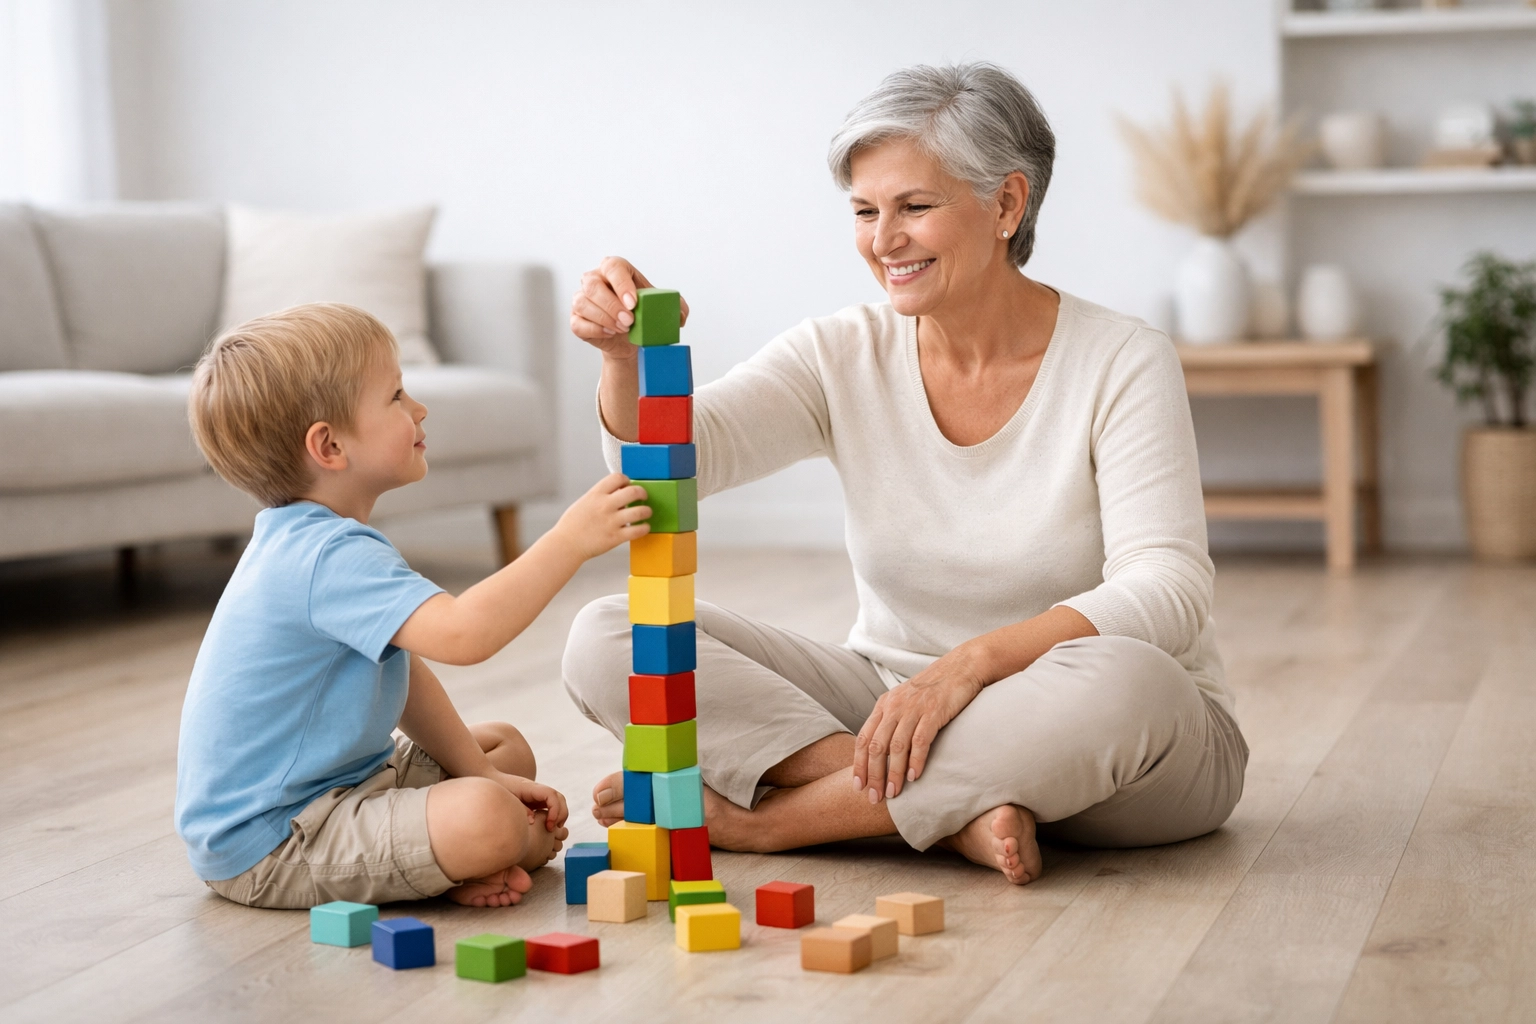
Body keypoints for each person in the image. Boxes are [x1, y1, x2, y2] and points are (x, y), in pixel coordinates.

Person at [562, 63, 1248, 885]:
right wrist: (620, 361)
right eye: (864, 211)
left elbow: (1168, 590)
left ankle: (779, 823)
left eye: (915, 207)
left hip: (1116, 742)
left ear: (1006, 205)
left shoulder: (1122, 359)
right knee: (610, 632)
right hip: (894, 705)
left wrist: (971, 665)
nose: (883, 241)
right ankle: (942, 814)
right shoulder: (839, 353)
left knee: (1132, 679)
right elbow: (674, 462)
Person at [175, 302, 652, 909]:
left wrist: (484, 773)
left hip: (348, 785)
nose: (419, 408)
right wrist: (568, 540)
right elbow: (464, 635)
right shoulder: (326, 557)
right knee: (489, 817)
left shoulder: (312, 540)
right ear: (329, 445)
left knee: (500, 749)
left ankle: (460, 855)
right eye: (396, 395)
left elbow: (402, 674)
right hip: (276, 841)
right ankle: (464, 859)